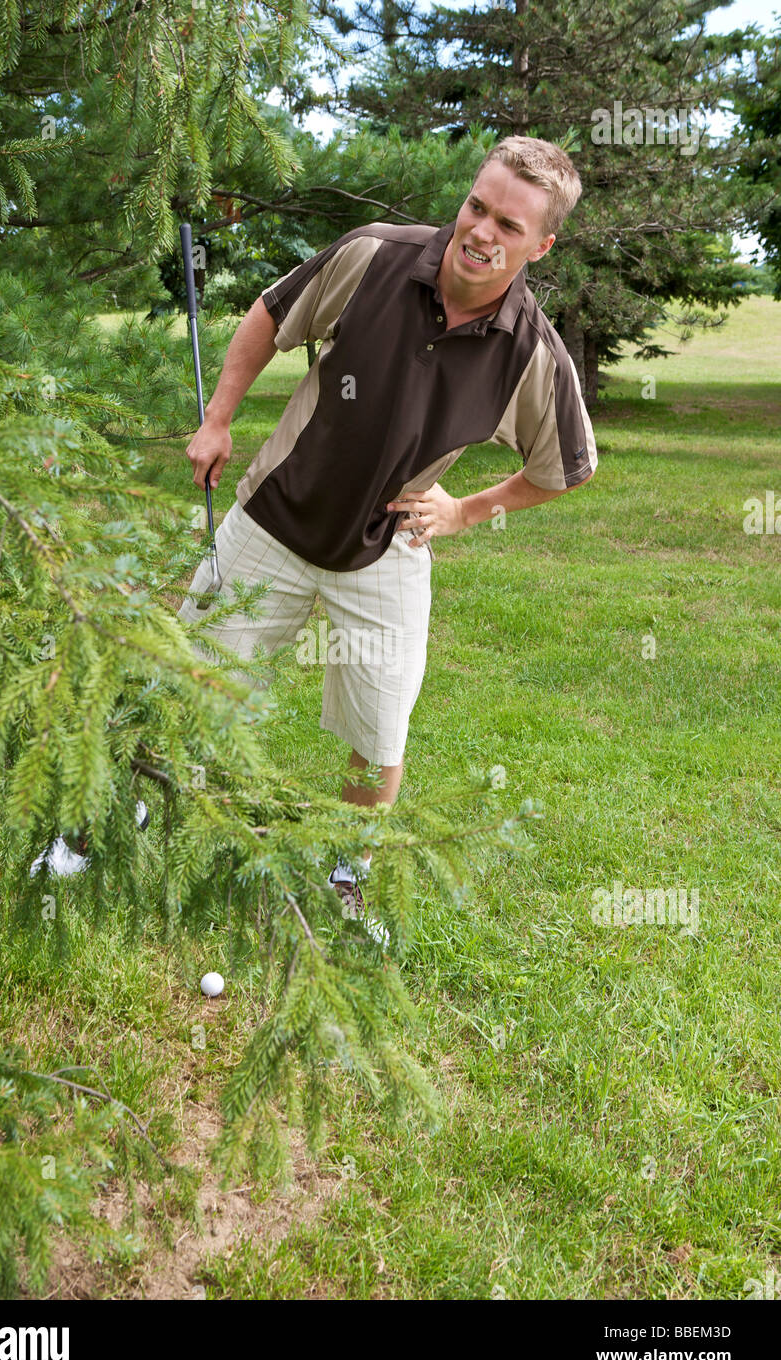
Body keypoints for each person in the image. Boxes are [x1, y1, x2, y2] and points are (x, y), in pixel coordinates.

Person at [183, 136, 597, 931]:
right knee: (187, 685)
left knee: (379, 739)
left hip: (386, 555)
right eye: (476, 206)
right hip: (272, 520)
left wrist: (464, 510)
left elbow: (563, 468)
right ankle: (107, 826)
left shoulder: (531, 354)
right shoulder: (372, 257)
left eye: (508, 226)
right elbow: (270, 316)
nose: (480, 231)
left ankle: (347, 869)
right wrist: (218, 418)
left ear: (540, 246)